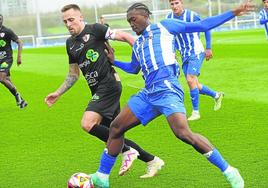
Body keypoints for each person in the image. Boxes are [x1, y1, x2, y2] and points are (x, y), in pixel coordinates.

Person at [90, 1, 254, 188]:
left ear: (145, 16)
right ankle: (102, 176)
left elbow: (202, 25)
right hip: (148, 93)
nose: (131, 24)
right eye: (129, 21)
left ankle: (229, 171)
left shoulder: (164, 26)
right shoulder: (138, 44)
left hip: (167, 89)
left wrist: (233, 12)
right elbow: (134, 68)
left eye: (134, 19)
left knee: (183, 133)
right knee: (116, 127)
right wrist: (114, 61)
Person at [44, 4, 164, 178]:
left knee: (87, 124)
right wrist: (58, 92)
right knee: (115, 133)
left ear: (80, 17)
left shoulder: (95, 30)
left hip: (109, 85)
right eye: (65, 22)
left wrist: (144, 52)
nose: (68, 24)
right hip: (97, 90)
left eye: (71, 20)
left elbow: (124, 36)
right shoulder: (70, 44)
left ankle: (128, 151)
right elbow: (73, 74)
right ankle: (152, 160)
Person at [166, 0, 224, 121]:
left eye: (177, 3)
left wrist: (208, 47)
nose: (174, 6)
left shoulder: (192, 16)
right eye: (172, 4)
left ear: (182, 3)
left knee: (190, 79)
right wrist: (171, 51)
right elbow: (169, 36)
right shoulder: (169, 18)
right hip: (184, 54)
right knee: (194, 84)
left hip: (196, 51)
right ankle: (217, 95)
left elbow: (206, 28)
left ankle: (196, 112)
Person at [0, 14, 27, 108]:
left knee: (2, 78)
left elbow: (19, 42)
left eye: (0, 19)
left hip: (6, 58)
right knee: (7, 80)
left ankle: (17, 96)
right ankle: (21, 100)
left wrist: (19, 57)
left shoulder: (7, 31)